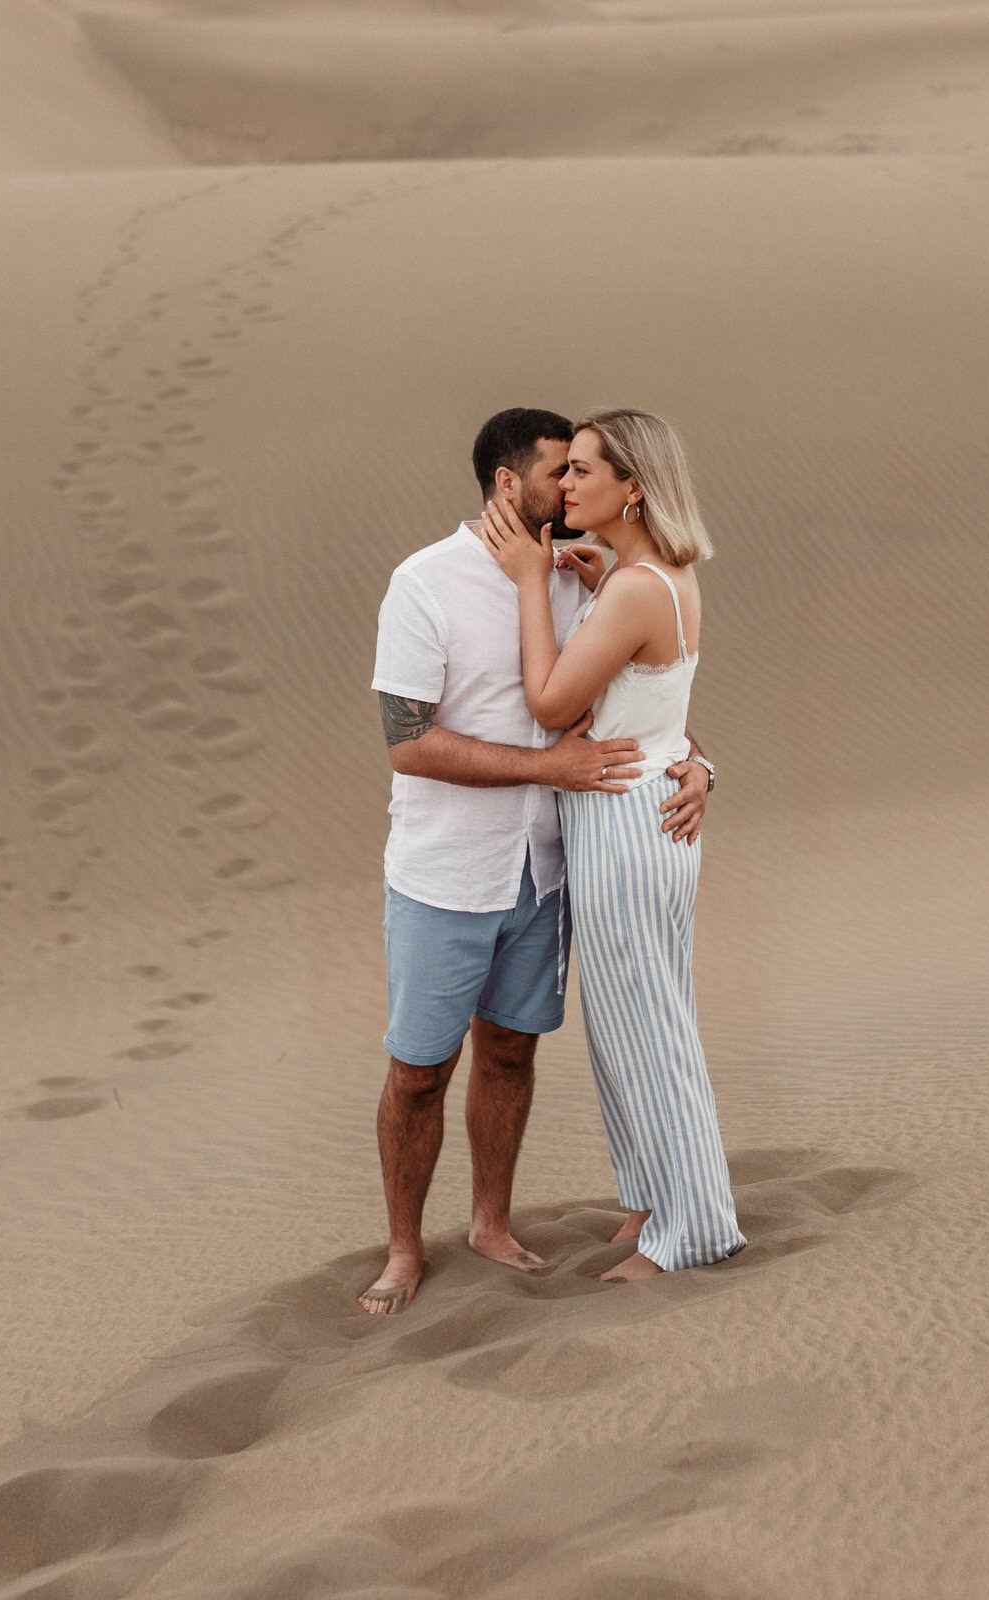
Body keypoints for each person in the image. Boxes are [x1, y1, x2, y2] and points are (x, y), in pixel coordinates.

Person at [362, 408, 715, 1314]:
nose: (568, 488)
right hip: (447, 873)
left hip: (553, 869)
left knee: (513, 1055)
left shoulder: (576, 572)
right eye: (557, 472)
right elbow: (407, 744)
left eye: (580, 471)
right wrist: (546, 765)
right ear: (504, 483)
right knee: (418, 1071)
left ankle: (490, 1224)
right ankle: (404, 1251)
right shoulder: (424, 583)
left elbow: (639, 703)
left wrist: (701, 764)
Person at [479, 408, 746, 1281]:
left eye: (587, 470)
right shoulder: (644, 576)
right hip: (642, 811)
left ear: (633, 487)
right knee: (630, 1021)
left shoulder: (636, 588)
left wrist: (529, 581)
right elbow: (656, 707)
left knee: (648, 1025)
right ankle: (652, 1202)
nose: (569, 485)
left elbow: (553, 706)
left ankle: (693, 1229)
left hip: (629, 822)